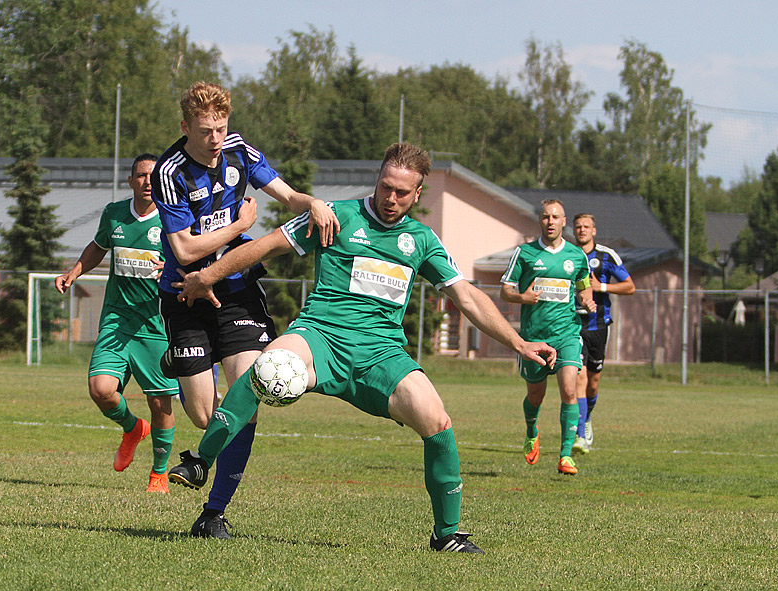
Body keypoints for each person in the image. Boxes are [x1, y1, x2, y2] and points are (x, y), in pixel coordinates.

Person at [169, 143, 556, 553]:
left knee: (437, 420)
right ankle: (199, 461)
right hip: (320, 337)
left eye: (402, 193)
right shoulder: (334, 216)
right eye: (386, 187)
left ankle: (448, 536)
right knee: (267, 367)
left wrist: (518, 342)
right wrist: (207, 275)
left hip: (381, 356)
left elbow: (467, 296)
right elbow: (264, 246)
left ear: (418, 194)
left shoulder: (422, 240)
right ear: (378, 179)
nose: (391, 198)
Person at [150, 81, 339, 539]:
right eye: (205, 130)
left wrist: (313, 203)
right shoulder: (168, 171)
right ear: (184, 127)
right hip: (186, 293)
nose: (216, 139)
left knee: (247, 396)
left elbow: (288, 196)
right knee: (201, 415)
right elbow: (186, 248)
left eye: (221, 127)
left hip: (235, 291)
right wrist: (240, 225)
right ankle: (180, 361)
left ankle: (212, 513)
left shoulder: (238, 151)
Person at [55, 154, 178, 493]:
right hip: (117, 320)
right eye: (141, 175)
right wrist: (73, 271)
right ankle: (132, 428)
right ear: (130, 181)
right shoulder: (114, 214)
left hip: (156, 323)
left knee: (159, 400)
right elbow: (97, 248)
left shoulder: (174, 218)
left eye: (153, 176)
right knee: (101, 389)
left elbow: (191, 260)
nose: (148, 181)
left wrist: (170, 274)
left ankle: (158, 473)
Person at [500, 199, 596, 476]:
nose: (550, 221)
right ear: (540, 221)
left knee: (569, 390)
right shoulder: (525, 253)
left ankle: (566, 455)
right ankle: (532, 430)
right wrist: (522, 297)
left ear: (564, 221)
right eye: (545, 217)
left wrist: (587, 301)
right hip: (533, 338)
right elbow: (505, 290)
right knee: (535, 395)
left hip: (566, 332)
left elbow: (583, 287)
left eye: (555, 217)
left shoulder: (577, 256)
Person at [571, 213, 635, 454]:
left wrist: (601, 287)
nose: (582, 230)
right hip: (574, 324)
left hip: (599, 326)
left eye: (586, 226)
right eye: (578, 227)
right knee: (579, 378)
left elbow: (630, 286)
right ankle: (578, 435)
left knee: (593, 383)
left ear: (594, 230)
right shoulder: (569, 255)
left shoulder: (606, 256)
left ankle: (586, 419)